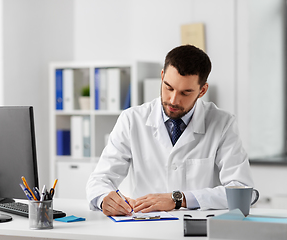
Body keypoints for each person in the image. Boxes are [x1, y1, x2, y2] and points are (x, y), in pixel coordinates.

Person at [86, 44, 254, 216]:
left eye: (185, 93)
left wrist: (179, 199)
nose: (173, 100)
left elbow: (242, 190)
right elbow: (100, 180)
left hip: (198, 229)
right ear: (162, 76)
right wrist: (103, 199)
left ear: (202, 90)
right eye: (169, 87)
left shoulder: (223, 123)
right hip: (145, 226)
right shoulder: (131, 120)